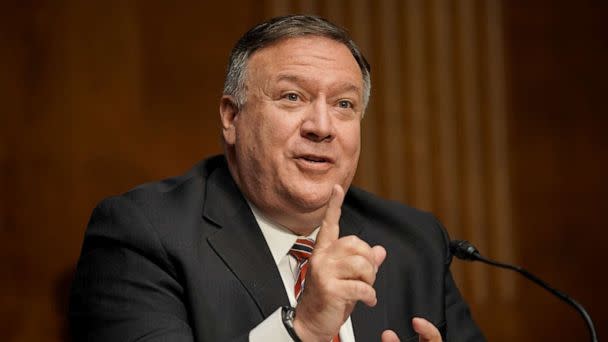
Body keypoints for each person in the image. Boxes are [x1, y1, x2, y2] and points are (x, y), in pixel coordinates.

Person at [69, 15, 485, 342]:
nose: (322, 126)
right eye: (292, 97)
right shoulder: (144, 234)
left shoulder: (413, 242)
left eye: (344, 104)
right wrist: (298, 331)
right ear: (232, 117)